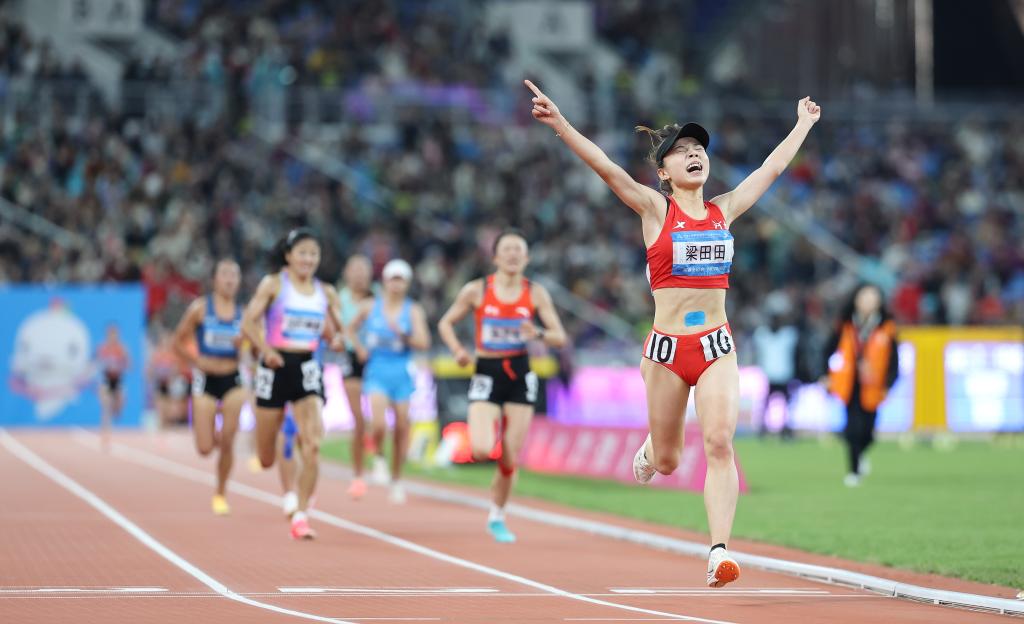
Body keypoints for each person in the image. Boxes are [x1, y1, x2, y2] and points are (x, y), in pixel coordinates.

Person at [524, 78, 820, 586]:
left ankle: (719, 552)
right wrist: (561, 124)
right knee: (667, 460)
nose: (694, 154)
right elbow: (605, 167)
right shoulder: (655, 209)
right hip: (666, 350)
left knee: (720, 443)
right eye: (681, 151)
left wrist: (803, 125)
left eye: (698, 148)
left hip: (716, 346)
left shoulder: (724, 209)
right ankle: (650, 450)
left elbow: (771, 169)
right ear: (663, 172)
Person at [437, 230, 567, 543]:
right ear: (495, 257)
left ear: (527, 258)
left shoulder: (535, 293)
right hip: (487, 372)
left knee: (510, 456)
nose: (512, 254)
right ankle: (493, 456)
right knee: (482, 448)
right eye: (507, 249)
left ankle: (497, 515)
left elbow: (559, 337)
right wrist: (458, 350)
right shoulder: (477, 289)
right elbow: (445, 323)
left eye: (518, 250)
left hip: (520, 374)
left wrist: (537, 333)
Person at [241, 228, 346, 540]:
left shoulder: (326, 292)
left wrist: (337, 339)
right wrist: (266, 350)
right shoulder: (274, 284)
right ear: (288, 255)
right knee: (265, 457)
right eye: (302, 253)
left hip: (307, 366)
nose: (308, 259)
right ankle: (282, 472)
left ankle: (301, 514)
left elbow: (336, 331)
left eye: (313, 254)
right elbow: (248, 322)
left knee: (312, 443)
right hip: (274, 366)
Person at [348, 259, 431, 504]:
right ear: (384, 282)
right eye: (392, 279)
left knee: (402, 426)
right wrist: (359, 348)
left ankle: (397, 479)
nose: (396, 285)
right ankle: (379, 458)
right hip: (377, 371)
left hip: (401, 373)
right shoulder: (370, 306)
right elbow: (349, 329)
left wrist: (404, 335)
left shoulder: (413, 310)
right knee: (378, 423)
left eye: (400, 280)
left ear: (407, 283)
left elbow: (424, 342)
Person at [172, 259, 247, 516]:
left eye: (234, 275)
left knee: (228, 440)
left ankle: (221, 493)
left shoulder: (244, 314)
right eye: (225, 274)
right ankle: (212, 424)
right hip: (205, 379)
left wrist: (245, 346)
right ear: (215, 279)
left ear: (239, 281)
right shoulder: (200, 309)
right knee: (205, 448)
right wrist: (195, 360)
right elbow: (177, 341)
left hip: (233, 379)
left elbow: (256, 348)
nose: (230, 279)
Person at [825, 284, 899, 487]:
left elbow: (894, 360)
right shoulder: (846, 325)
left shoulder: (886, 327)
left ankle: (861, 453)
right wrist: (825, 375)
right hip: (850, 384)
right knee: (853, 429)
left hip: (874, 386)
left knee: (868, 432)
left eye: (872, 298)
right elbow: (828, 349)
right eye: (864, 297)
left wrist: (889, 383)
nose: (868, 302)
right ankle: (854, 470)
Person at [326, 254, 375, 499]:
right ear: (346, 273)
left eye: (363, 270)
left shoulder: (378, 297)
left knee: (379, 418)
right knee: (358, 419)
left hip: (378, 359)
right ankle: (358, 475)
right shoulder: (339, 299)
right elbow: (333, 328)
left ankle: (379, 457)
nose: (359, 275)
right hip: (350, 358)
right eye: (355, 269)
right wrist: (337, 340)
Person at [751, 313, 799, 437]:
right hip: (770, 376)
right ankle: (763, 428)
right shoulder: (764, 336)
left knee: (786, 405)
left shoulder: (787, 336)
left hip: (784, 376)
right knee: (766, 404)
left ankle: (786, 429)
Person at [97, 324, 129, 451]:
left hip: (118, 380)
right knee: (105, 407)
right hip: (106, 380)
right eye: (110, 334)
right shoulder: (102, 348)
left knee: (118, 407)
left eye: (114, 334)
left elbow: (129, 364)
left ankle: (117, 410)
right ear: (107, 335)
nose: (112, 337)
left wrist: (122, 363)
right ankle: (105, 435)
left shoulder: (121, 349)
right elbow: (97, 364)